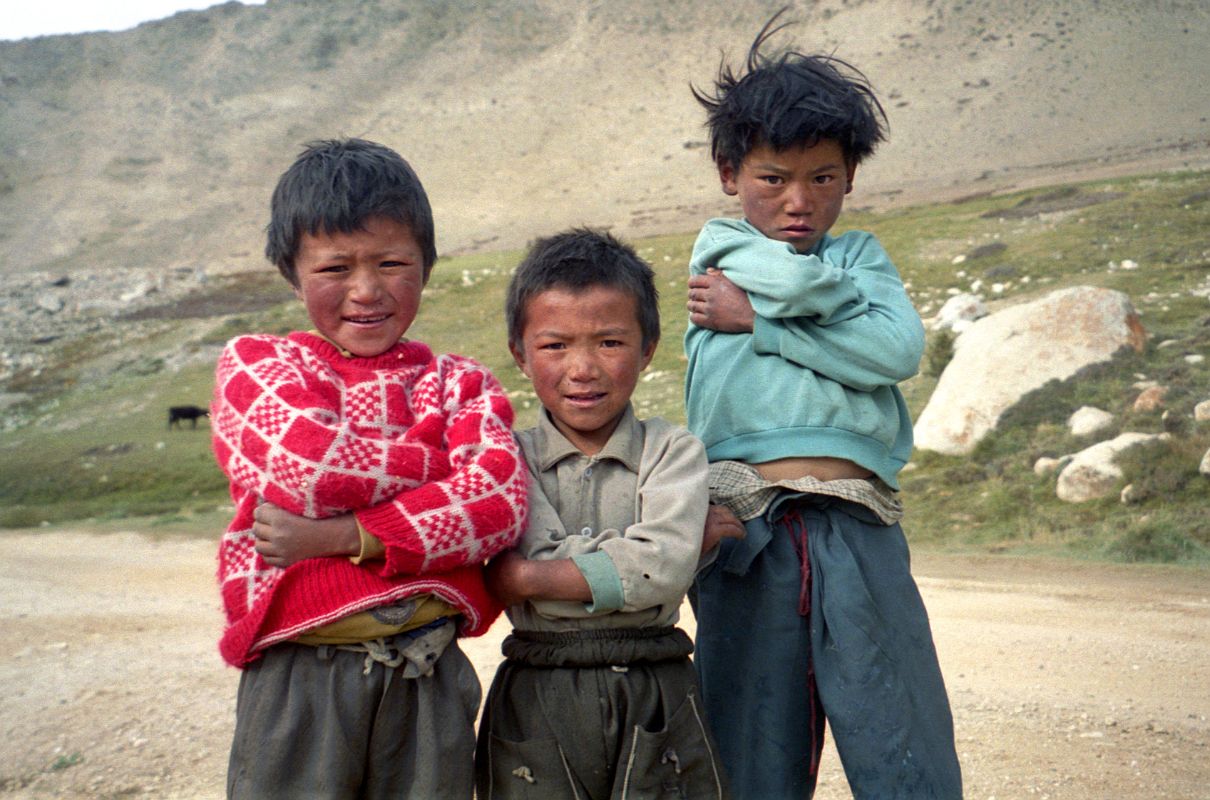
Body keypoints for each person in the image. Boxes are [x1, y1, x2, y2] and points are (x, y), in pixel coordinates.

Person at [682, 13, 963, 800]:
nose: (798, 202)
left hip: (857, 520)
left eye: (824, 178)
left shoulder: (861, 255)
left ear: (850, 177)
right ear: (729, 171)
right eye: (773, 178)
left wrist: (760, 325)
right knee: (748, 743)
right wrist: (824, 313)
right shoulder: (723, 248)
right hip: (750, 526)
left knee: (899, 733)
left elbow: (895, 354)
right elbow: (822, 301)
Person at [210, 137, 528, 799]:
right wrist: (439, 466)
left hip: (426, 672)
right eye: (334, 269)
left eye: (391, 262)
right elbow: (305, 465)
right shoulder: (258, 366)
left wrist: (337, 537)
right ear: (292, 271)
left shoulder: (460, 383)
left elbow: (497, 502)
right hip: (300, 674)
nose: (366, 290)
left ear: (425, 264)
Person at [475, 229, 729, 800]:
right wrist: (654, 551)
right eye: (555, 345)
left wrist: (526, 578)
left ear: (648, 348)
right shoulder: (504, 457)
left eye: (610, 343)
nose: (583, 368)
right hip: (537, 692)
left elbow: (657, 568)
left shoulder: (674, 450)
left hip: (656, 688)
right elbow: (653, 563)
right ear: (519, 352)